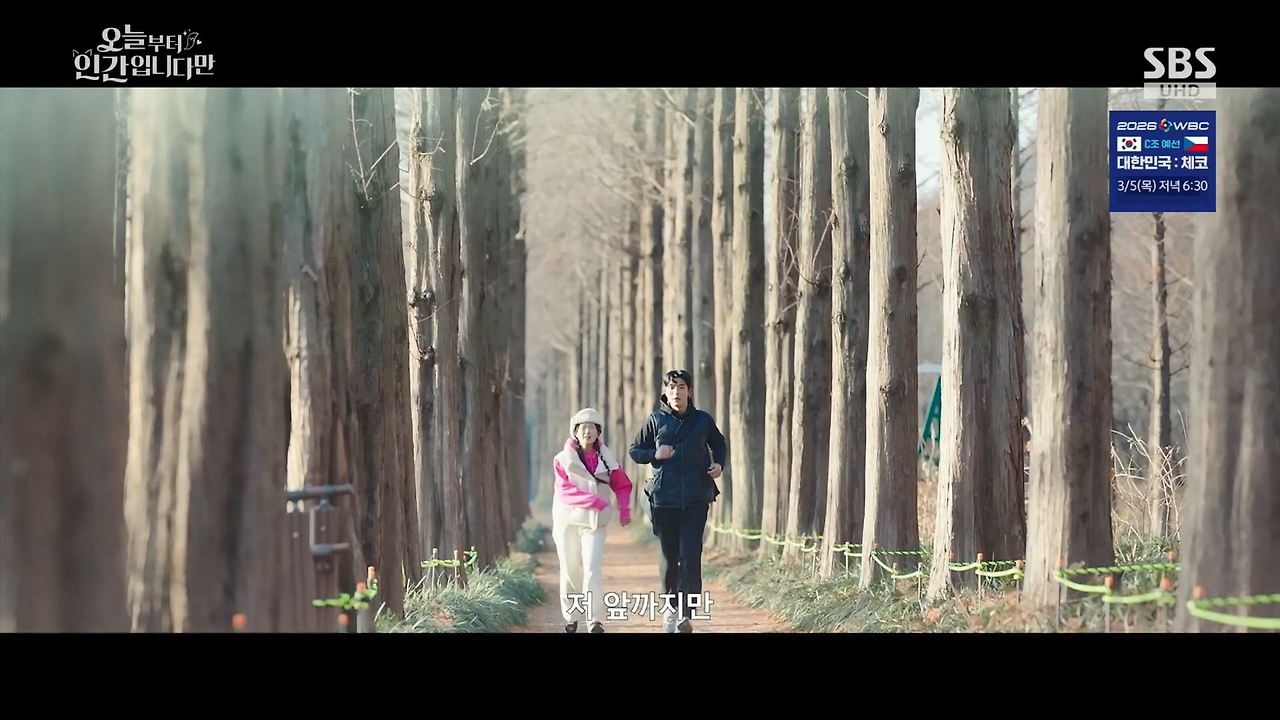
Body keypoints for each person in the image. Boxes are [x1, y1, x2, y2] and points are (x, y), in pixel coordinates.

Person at [629, 369, 727, 633]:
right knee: (670, 557)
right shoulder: (656, 420)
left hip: (696, 498)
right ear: (665, 391)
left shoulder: (703, 421)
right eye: (671, 387)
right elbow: (635, 451)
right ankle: (670, 608)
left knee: (691, 555)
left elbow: (719, 444)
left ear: (689, 391)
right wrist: (655, 454)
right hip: (664, 500)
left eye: (681, 387)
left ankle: (686, 613)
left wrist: (719, 464)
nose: (676, 392)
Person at [551, 407, 633, 634]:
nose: (588, 431)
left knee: (592, 568)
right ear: (575, 431)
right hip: (567, 521)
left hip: (595, 523)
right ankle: (571, 616)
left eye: (592, 428)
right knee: (570, 569)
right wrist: (593, 500)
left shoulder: (607, 459)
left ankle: (595, 620)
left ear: (598, 432)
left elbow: (623, 484)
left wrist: (624, 509)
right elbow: (565, 491)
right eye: (583, 427)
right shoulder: (562, 459)